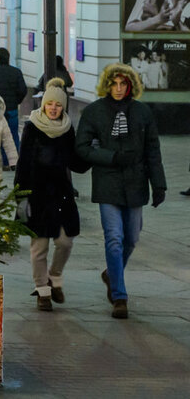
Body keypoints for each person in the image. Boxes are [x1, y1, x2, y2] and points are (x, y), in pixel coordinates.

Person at [75, 63, 166, 319]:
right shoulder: (94, 112)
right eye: (114, 83)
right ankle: (119, 295)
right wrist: (111, 157)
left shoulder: (142, 113)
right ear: (107, 84)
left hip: (136, 181)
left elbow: (153, 150)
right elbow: (82, 147)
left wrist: (158, 183)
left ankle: (111, 274)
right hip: (108, 181)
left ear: (130, 86)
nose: (118, 88)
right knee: (114, 238)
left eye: (123, 84)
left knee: (132, 238)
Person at [15, 79, 87, 311]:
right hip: (37, 194)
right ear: (44, 105)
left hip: (61, 194)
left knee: (65, 242)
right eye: (50, 104)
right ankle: (42, 291)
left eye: (58, 105)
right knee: (40, 246)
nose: (54, 108)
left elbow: (76, 162)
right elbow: (23, 163)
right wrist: (21, 196)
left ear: (63, 107)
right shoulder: (32, 127)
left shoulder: (67, 129)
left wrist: (91, 152)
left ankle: (54, 277)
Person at [0, 47, 28, 156]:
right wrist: (16, 101)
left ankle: (3, 160)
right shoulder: (16, 72)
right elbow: (23, 90)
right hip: (12, 108)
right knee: (13, 134)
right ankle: (13, 160)